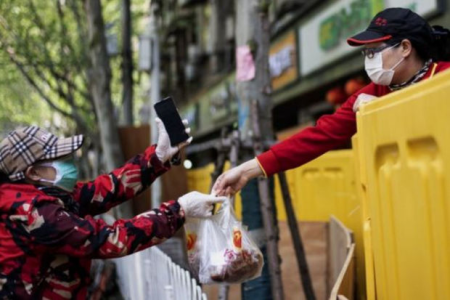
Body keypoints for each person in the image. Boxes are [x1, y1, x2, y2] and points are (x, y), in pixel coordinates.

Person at [213, 7, 450, 196]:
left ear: (406, 48)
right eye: (366, 53)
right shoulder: (376, 90)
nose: (369, 60)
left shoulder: (443, 77)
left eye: (374, 51)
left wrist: (380, 110)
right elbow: (319, 136)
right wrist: (247, 170)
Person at [0, 120, 226, 299]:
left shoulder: (43, 195)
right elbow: (105, 239)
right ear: (33, 173)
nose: (68, 163)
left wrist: (156, 158)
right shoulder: (33, 212)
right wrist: (179, 211)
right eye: (58, 159)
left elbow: (103, 190)